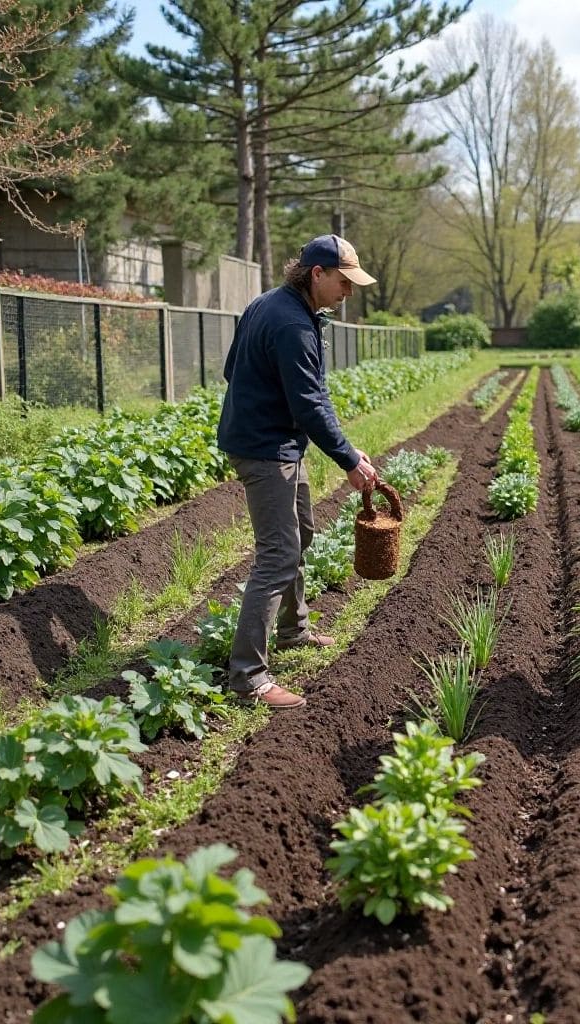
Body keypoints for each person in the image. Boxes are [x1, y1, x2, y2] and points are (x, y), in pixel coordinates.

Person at [217, 234, 379, 709]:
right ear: (317, 274)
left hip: (279, 442)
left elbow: (233, 370)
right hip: (265, 449)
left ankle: (294, 629)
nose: (349, 292)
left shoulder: (270, 305)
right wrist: (348, 458)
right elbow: (309, 401)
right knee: (278, 553)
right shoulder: (292, 324)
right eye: (344, 282)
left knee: (301, 533)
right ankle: (248, 676)